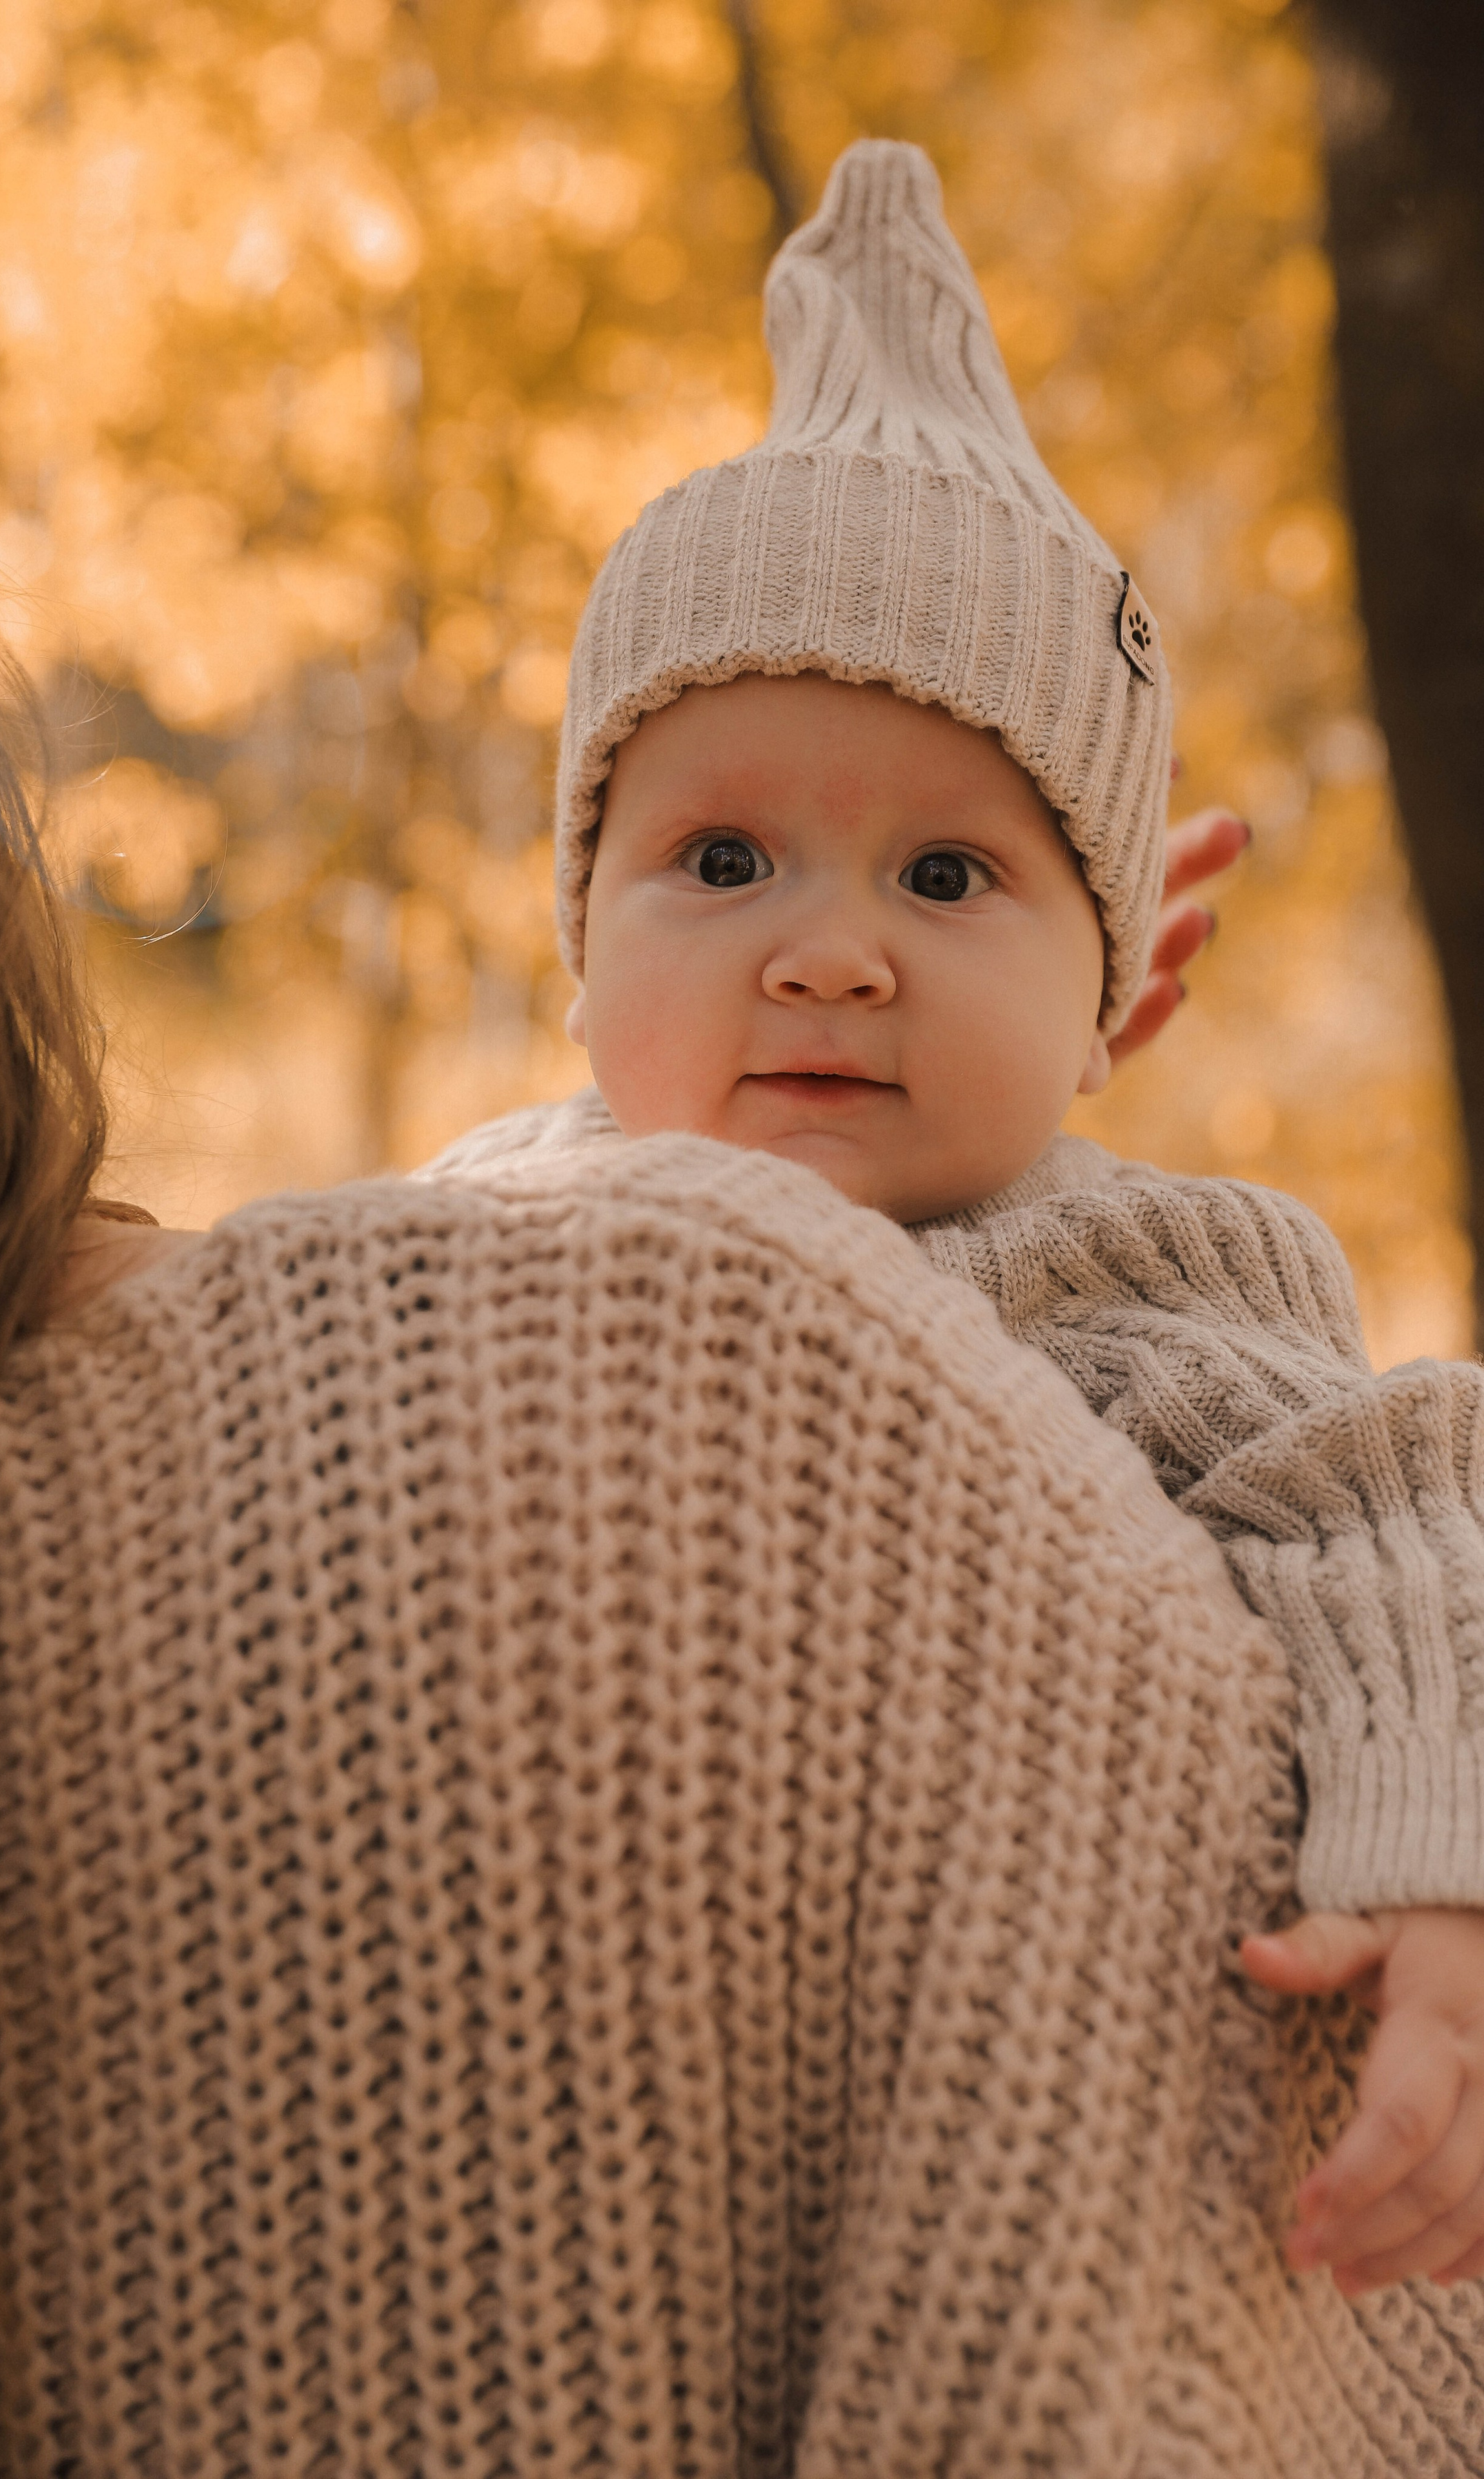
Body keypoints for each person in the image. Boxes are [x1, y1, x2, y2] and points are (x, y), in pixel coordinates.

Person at [423, 139, 1484, 2310]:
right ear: (576, 947)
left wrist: (1437, 1869)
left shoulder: (1132, 1270)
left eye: (946, 878)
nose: (829, 958)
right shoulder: (476, 1224)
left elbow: (1390, 1509)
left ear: (1109, 999)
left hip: (993, 2156)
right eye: (721, 865)